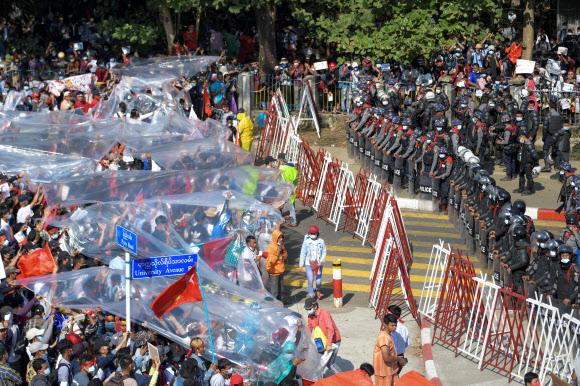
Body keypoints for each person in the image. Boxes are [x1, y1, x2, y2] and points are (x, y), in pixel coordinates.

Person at [304, 298, 342, 374]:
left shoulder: (324, 313)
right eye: (307, 309)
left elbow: (331, 329)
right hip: (320, 342)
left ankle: (343, 378)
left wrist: (329, 345)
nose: (308, 311)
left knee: (330, 364)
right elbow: (308, 330)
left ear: (315, 307)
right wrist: (305, 344)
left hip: (332, 341)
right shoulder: (310, 316)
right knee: (319, 363)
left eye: (310, 309)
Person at [373, 314, 406, 386]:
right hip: (384, 373)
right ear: (386, 325)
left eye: (395, 325)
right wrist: (399, 359)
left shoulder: (388, 335)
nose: (394, 328)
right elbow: (386, 358)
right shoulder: (384, 338)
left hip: (390, 370)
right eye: (392, 325)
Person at [299, 225, 327, 299]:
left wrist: (321, 261)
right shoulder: (306, 242)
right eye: (311, 233)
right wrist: (301, 265)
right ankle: (311, 295)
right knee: (310, 280)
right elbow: (303, 253)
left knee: (318, 281)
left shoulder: (321, 241)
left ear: (317, 234)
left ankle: (317, 289)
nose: (312, 235)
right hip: (308, 264)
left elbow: (324, 252)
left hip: (318, 265)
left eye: (314, 234)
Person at [386, 305, 409, 374]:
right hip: (401, 355)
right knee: (395, 377)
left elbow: (393, 347)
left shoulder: (392, 329)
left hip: (393, 358)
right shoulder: (404, 327)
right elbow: (407, 343)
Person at [267, 230, 288, 303]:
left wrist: (284, 250)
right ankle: (273, 306)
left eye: (282, 237)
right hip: (274, 272)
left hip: (280, 271)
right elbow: (270, 262)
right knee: (275, 292)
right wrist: (277, 253)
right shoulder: (271, 248)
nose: (281, 239)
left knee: (281, 290)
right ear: (275, 238)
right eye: (279, 237)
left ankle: (279, 304)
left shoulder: (281, 246)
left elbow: (285, 257)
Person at [278, 153, 298, 226]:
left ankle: (280, 220)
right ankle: (293, 221)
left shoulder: (282, 168)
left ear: (280, 159)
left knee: (279, 205)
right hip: (293, 189)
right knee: (292, 206)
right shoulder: (293, 167)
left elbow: (278, 178)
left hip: (284, 189)